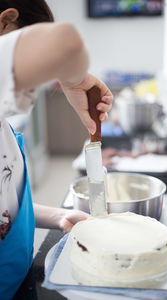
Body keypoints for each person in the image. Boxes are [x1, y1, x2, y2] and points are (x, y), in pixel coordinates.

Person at [0, 1, 113, 299]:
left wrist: (57, 215)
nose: (32, 92)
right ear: (5, 23)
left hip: (17, 283)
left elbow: (5, 204)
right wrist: (75, 80)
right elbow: (66, 42)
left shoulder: (3, 127)